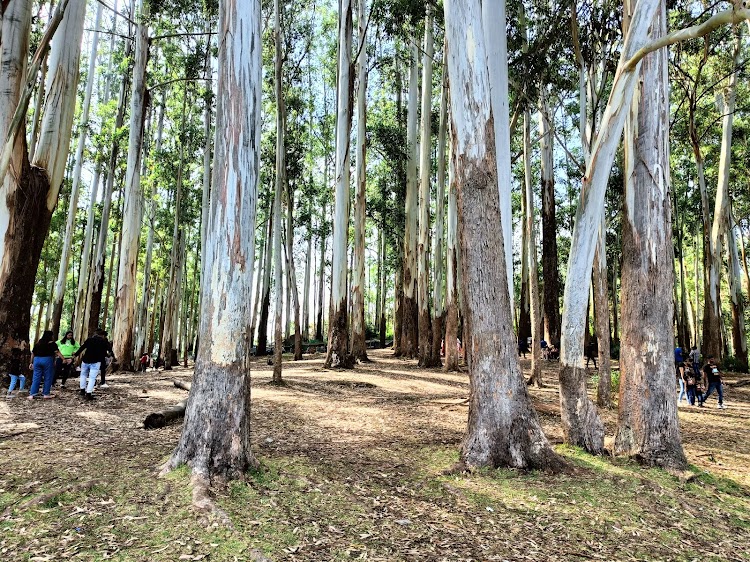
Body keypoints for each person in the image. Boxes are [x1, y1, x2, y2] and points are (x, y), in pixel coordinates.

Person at [74, 329, 111, 401]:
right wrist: (109, 355)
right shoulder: (104, 341)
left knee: (83, 375)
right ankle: (88, 393)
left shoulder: (89, 339)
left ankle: (82, 390)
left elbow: (82, 348)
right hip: (96, 361)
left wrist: (75, 355)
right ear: (103, 335)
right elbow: (108, 350)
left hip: (85, 360)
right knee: (92, 378)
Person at [28, 330, 64, 400]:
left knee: (36, 377)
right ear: (51, 336)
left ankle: (32, 394)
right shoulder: (52, 343)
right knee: (48, 377)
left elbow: (33, 353)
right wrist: (64, 359)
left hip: (37, 360)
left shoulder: (38, 343)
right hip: (47, 360)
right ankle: (46, 394)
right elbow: (57, 352)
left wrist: (31, 362)